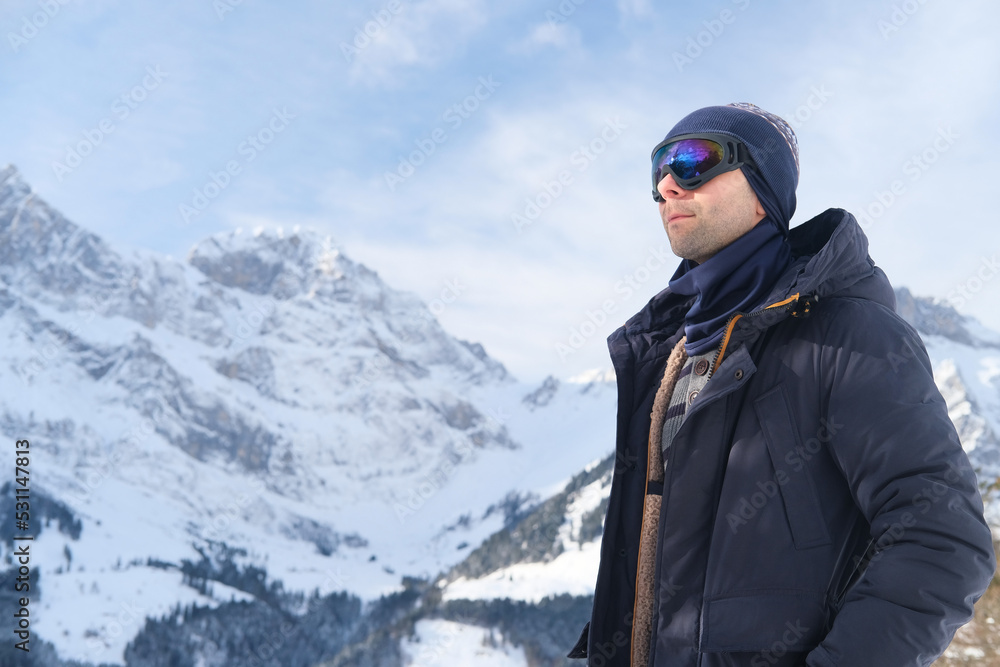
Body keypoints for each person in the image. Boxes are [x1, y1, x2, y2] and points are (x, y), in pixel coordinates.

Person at [567, 103, 996, 666]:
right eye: (658, 170)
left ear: (764, 185)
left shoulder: (850, 335)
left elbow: (943, 542)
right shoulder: (668, 356)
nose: (668, 186)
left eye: (693, 160)